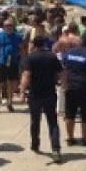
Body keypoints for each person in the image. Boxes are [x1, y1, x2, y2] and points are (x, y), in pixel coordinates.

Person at [20, 35, 63, 163]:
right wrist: (64, 85)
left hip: (35, 94)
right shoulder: (52, 56)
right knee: (52, 122)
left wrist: (22, 90)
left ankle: (35, 144)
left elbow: (26, 75)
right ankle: (55, 148)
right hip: (50, 93)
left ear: (34, 44)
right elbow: (61, 72)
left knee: (35, 120)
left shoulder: (30, 57)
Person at [0, 18, 23, 114]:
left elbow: (21, 48)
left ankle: (10, 102)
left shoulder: (18, 36)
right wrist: (0, 55)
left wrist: (16, 56)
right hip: (2, 62)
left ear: (13, 26)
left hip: (13, 62)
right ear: (3, 26)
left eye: (10, 25)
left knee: (11, 84)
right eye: (6, 25)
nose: (9, 27)